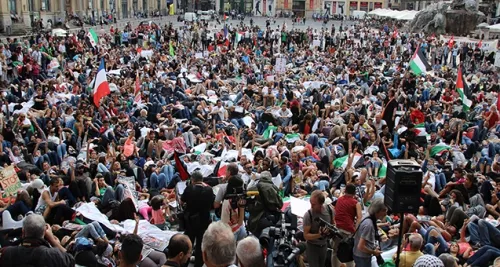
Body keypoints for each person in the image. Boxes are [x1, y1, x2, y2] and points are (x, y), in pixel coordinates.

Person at [0, 214, 75, 266]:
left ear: (23, 232)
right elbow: (72, 261)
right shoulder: (54, 255)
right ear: (45, 232)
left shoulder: (6, 253)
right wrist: (53, 240)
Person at [181, 171, 215, 267]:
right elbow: (213, 204)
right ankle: (198, 264)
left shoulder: (189, 188)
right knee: (201, 245)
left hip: (190, 222)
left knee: (187, 244)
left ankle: (184, 263)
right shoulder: (209, 190)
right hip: (204, 222)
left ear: (192, 180)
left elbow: (181, 201)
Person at [332, 183, 362, 267]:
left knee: (335, 252)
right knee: (349, 254)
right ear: (354, 193)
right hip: (348, 231)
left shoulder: (339, 199)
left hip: (336, 229)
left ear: (345, 190)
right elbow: (359, 218)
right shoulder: (356, 203)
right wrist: (356, 231)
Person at [303, 190, 335, 267]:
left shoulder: (330, 210)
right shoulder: (308, 215)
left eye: (314, 204)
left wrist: (330, 230)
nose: (311, 206)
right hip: (312, 247)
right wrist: (319, 235)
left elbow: (333, 223)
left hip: (324, 246)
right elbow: (306, 235)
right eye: (310, 203)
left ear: (321, 204)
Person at [247, 171, 283, 237]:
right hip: (266, 218)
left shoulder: (253, 187)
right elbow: (280, 204)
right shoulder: (271, 187)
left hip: (253, 220)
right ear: (270, 178)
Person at [354, 198, 387, 267]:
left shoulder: (368, 216)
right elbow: (361, 246)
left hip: (359, 255)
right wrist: (374, 252)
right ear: (377, 210)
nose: (385, 213)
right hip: (362, 257)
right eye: (384, 210)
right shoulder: (369, 224)